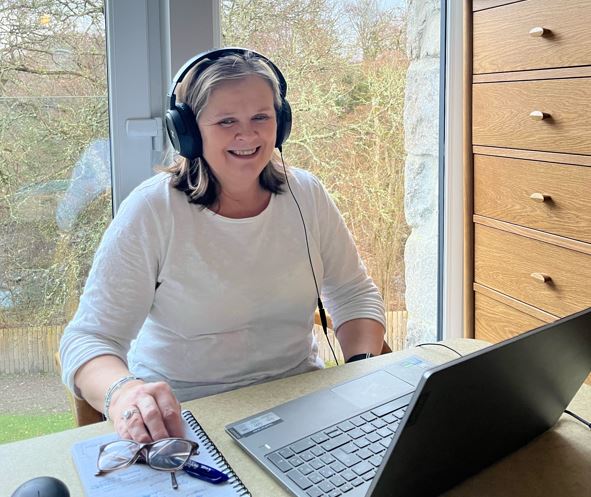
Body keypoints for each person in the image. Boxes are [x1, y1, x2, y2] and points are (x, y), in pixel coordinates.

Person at [59, 48, 386, 443]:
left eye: (261, 118)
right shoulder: (152, 210)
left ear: (281, 124)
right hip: (185, 420)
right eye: (226, 120)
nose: (246, 135)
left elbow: (353, 294)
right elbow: (89, 339)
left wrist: (364, 370)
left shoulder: (307, 194)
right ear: (189, 132)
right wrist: (125, 393)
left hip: (301, 405)